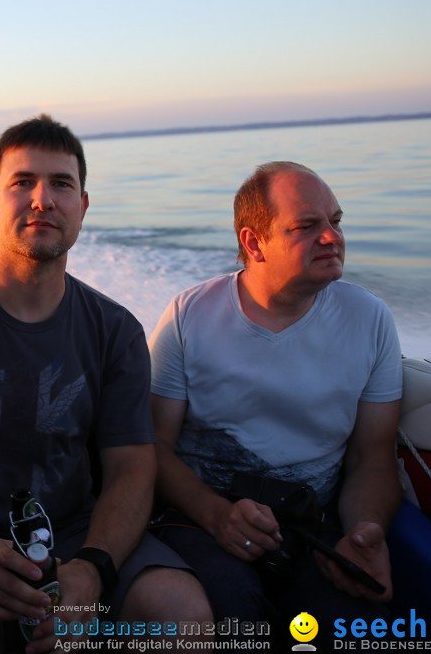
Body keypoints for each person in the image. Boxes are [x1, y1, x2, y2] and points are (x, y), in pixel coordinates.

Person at [0, 114, 212, 654]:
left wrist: (93, 569)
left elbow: (132, 468)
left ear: (83, 207)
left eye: (61, 184)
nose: (42, 199)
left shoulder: (114, 333)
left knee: (182, 615)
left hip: (79, 535)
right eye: (22, 182)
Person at [147, 161, 402, 634]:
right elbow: (151, 447)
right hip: (200, 518)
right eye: (307, 226)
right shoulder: (189, 317)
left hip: (313, 522)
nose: (332, 237)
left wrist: (365, 531)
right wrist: (215, 514)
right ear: (253, 242)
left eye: (336, 221)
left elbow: (372, 458)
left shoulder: (370, 319)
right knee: (232, 611)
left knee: (352, 625)